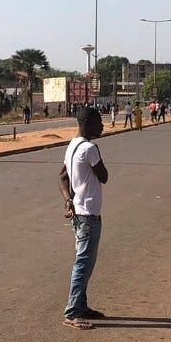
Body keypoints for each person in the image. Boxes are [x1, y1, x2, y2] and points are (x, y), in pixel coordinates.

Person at [57, 106, 110, 330]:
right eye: (99, 122)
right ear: (87, 123)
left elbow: (61, 177)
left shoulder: (72, 146)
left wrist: (69, 200)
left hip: (80, 211)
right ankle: (72, 312)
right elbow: (104, 177)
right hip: (88, 214)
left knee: (86, 262)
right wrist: (96, 151)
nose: (103, 126)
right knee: (83, 263)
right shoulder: (89, 148)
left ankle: (82, 305)